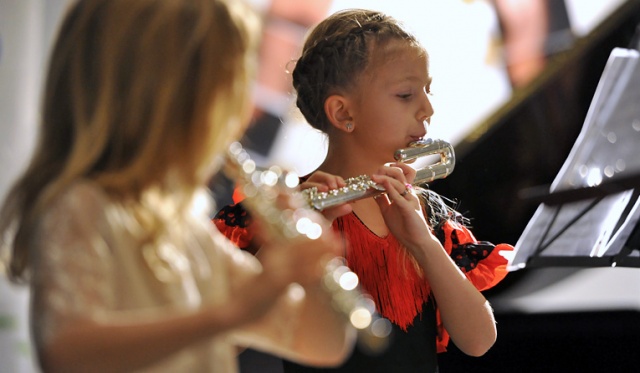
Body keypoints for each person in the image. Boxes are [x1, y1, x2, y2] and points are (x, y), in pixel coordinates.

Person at [0, 1, 357, 372]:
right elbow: (68, 354)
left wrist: (310, 266)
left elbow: (321, 344)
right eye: (224, 94)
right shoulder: (79, 206)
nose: (235, 118)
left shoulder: (186, 228)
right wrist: (230, 314)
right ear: (164, 100)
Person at [214, 8, 514, 372]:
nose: (427, 109)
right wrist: (290, 238)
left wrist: (423, 242)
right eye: (405, 95)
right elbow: (226, 340)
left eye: (427, 91)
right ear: (343, 114)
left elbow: (479, 341)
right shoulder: (284, 210)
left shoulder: (427, 212)